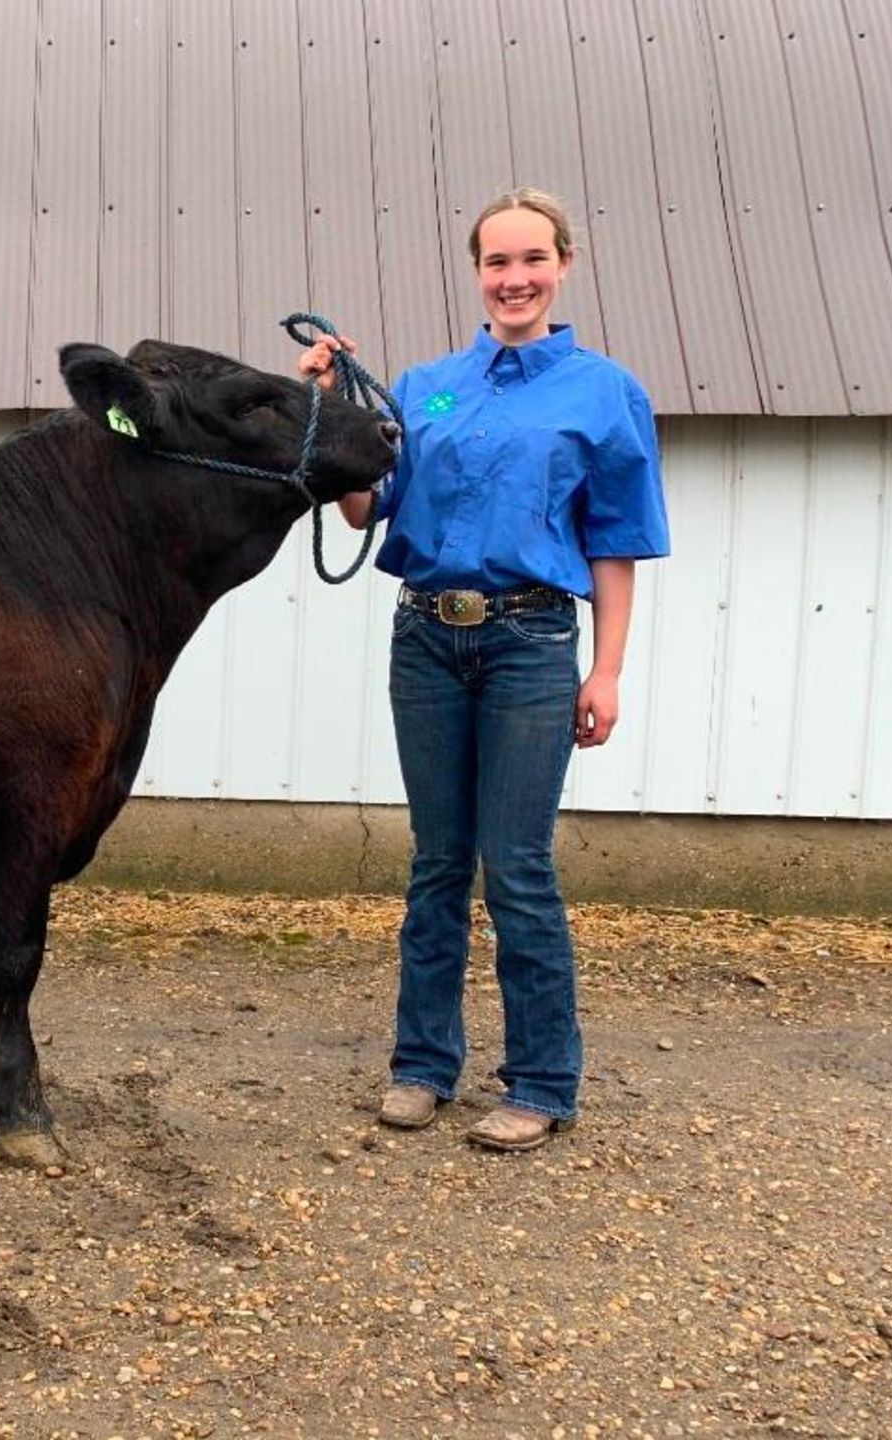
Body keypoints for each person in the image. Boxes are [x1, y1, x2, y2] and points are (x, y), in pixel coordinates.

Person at [297, 188, 669, 1152]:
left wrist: (609, 670)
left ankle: (542, 1082)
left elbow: (617, 542)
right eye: (497, 263)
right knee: (436, 864)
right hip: (425, 637)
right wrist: (333, 405)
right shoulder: (424, 388)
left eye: (532, 260)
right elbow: (359, 509)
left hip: (531, 644)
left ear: (564, 265)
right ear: (477, 272)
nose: (515, 279)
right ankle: (423, 1068)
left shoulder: (603, 392)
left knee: (518, 869)